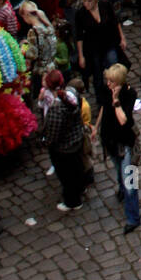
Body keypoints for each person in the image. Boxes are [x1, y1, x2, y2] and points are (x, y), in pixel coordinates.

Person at [93, 63, 140, 235]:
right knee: (119, 170)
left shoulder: (129, 94)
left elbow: (123, 121)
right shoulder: (106, 90)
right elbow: (103, 109)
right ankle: (121, 190)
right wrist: (95, 127)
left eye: (111, 81)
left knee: (131, 182)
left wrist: (116, 101)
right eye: (107, 80)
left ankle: (133, 217)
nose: (108, 84)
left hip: (126, 142)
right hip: (110, 140)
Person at [42, 69, 86, 212]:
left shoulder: (56, 109)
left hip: (64, 148)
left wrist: (47, 142)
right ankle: (81, 188)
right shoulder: (72, 95)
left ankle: (73, 202)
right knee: (78, 167)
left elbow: (53, 135)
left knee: (67, 176)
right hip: (77, 139)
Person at [75, 0, 125, 94]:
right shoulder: (81, 14)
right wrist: (81, 56)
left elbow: (115, 22)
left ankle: (117, 91)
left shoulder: (105, 5)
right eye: (84, 1)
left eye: (89, 1)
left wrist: (122, 38)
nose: (86, 4)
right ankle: (101, 97)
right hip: (93, 49)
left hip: (109, 43)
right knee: (97, 74)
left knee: (114, 68)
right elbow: (79, 36)